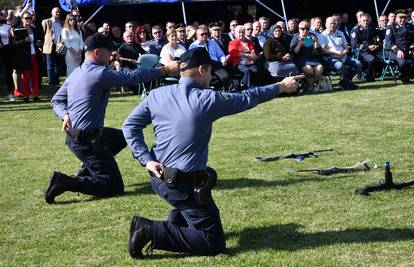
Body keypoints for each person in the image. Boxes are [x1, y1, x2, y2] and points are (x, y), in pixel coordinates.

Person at [122, 47, 303, 259]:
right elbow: (247, 97)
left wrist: (146, 160)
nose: (211, 76)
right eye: (210, 71)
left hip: (158, 177)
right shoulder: (206, 99)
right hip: (182, 185)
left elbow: (129, 126)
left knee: (209, 174)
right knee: (213, 243)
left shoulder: (157, 95)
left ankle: (178, 219)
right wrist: (280, 86)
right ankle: (151, 230)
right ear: (201, 70)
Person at [45, 34, 179, 204]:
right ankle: (64, 182)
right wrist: (164, 70)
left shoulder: (77, 72)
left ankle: (88, 169)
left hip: (78, 137)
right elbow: (133, 77)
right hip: (87, 141)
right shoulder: (100, 73)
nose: (111, 56)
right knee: (113, 186)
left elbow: (56, 100)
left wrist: (64, 114)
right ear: (98, 52)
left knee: (123, 137)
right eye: (109, 52)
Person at [322, 16, 361, 90]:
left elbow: (346, 46)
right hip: (331, 58)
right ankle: (348, 84)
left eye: (334, 23)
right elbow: (323, 50)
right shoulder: (323, 35)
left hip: (343, 56)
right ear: (326, 24)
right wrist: (335, 52)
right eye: (330, 24)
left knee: (358, 64)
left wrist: (345, 52)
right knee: (340, 65)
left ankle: (344, 82)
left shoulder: (340, 33)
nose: (332, 25)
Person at [11, 11, 42, 102]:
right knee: (26, 77)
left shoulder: (34, 29)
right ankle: (26, 96)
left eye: (30, 18)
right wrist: (24, 41)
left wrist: (39, 43)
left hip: (34, 55)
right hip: (24, 57)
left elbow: (38, 40)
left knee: (35, 76)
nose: (29, 20)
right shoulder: (19, 30)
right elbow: (14, 44)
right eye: (26, 18)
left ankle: (35, 95)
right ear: (22, 19)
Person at [290, 20, 323, 92]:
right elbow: (294, 53)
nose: (305, 30)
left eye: (307, 28)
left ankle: (308, 87)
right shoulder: (295, 38)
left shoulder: (310, 37)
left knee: (320, 68)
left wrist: (316, 43)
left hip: (310, 59)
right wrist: (299, 44)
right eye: (302, 29)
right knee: (309, 69)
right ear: (299, 29)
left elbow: (315, 52)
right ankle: (311, 88)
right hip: (299, 59)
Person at [384, 9, 414, 83]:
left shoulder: (410, 26)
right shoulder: (391, 27)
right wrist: (397, 50)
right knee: (403, 62)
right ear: (396, 18)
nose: (402, 20)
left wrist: (412, 48)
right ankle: (403, 76)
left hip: (407, 50)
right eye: (400, 18)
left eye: (404, 18)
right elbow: (388, 42)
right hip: (393, 52)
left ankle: (409, 75)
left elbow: (412, 40)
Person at [350, 13, 381, 82]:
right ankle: (369, 77)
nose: (365, 22)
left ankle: (372, 74)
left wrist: (377, 46)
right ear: (360, 21)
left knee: (382, 58)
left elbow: (377, 39)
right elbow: (354, 44)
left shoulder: (372, 29)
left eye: (367, 20)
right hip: (362, 52)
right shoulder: (356, 31)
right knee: (372, 59)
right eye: (363, 20)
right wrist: (368, 47)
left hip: (373, 50)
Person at [42, 7, 64, 87]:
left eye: (59, 12)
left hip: (59, 46)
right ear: (52, 13)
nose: (58, 13)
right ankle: (51, 82)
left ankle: (56, 81)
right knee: (50, 65)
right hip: (49, 46)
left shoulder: (62, 23)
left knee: (58, 65)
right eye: (56, 12)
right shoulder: (46, 22)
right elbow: (42, 33)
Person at [0, 11, 14, 101]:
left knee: (8, 72)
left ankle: (10, 93)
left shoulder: (7, 26)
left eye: (1, 15)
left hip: (6, 51)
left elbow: (12, 37)